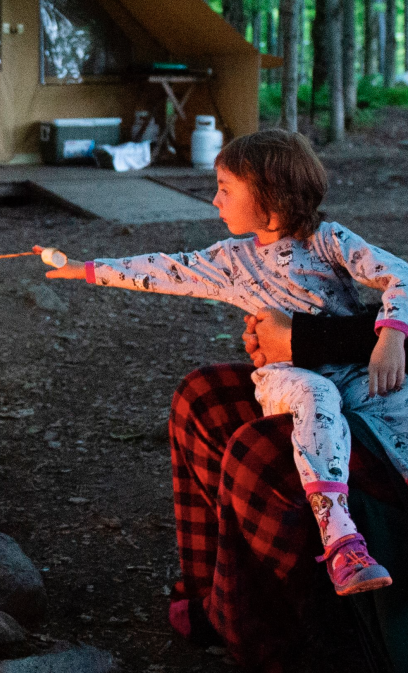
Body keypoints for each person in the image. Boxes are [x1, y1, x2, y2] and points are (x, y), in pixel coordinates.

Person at [36, 129, 408, 597]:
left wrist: (391, 335)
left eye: (226, 189)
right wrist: (85, 269)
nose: (215, 200)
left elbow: (399, 275)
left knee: (396, 401)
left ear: (271, 201)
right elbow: (162, 269)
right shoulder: (232, 260)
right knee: (318, 395)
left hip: (351, 369)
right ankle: (340, 542)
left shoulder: (329, 240)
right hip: (286, 377)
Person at [168, 309, 408, 670]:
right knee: (206, 398)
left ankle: (284, 654)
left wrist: (303, 338)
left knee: (261, 455)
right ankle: (221, 604)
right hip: (382, 396)